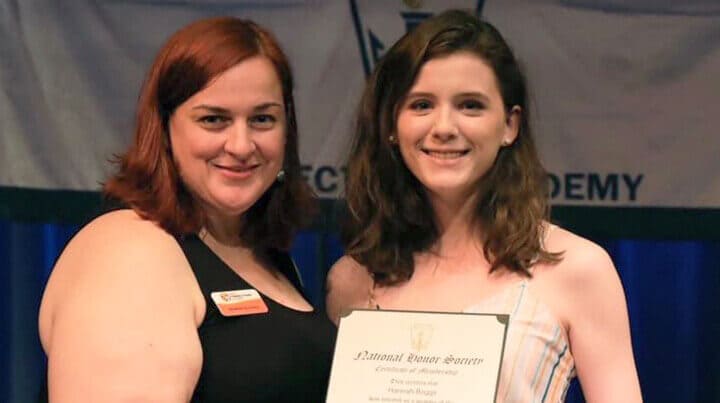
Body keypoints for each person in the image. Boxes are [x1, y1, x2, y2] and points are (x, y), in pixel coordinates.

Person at [326, 9, 642, 402]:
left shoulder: (575, 270)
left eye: (470, 105)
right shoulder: (351, 280)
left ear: (509, 125)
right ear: (391, 124)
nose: (443, 127)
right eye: (421, 104)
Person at [38, 16, 335, 402]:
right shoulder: (131, 249)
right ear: (164, 129)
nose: (241, 145)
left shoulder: (270, 259)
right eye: (214, 119)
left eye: (262, 119)